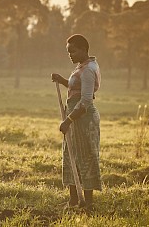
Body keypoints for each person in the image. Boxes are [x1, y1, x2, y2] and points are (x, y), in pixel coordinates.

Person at [51, 34, 102, 210]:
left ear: (83, 49)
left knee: (85, 158)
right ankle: (73, 200)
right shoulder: (82, 66)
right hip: (74, 117)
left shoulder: (88, 70)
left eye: (72, 51)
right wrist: (61, 80)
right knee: (71, 155)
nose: (70, 54)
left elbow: (86, 101)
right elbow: (75, 89)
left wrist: (68, 120)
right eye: (68, 52)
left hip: (83, 118)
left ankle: (87, 203)